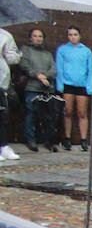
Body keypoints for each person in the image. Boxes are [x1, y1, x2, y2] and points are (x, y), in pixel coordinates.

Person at [18, 28, 57, 153]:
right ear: (30, 37)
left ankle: (48, 141)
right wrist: (37, 75)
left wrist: (44, 76)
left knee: (48, 116)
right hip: (32, 87)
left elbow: (54, 70)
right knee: (31, 114)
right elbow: (24, 65)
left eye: (40, 36)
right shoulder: (26, 50)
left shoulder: (47, 54)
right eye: (35, 36)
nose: (38, 38)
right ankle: (31, 140)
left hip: (47, 89)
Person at [56, 27, 92, 151]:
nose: (73, 37)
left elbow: (91, 69)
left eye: (75, 34)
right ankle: (67, 138)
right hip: (67, 85)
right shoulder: (62, 50)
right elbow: (59, 68)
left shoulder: (86, 51)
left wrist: (89, 86)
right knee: (67, 111)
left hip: (82, 85)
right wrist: (60, 85)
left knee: (82, 112)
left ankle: (83, 140)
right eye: (70, 34)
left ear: (80, 36)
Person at [0, 27, 20, 162]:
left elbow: (12, 58)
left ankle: (3, 146)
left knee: (2, 115)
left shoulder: (5, 35)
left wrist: (16, 55)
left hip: (1, 80)